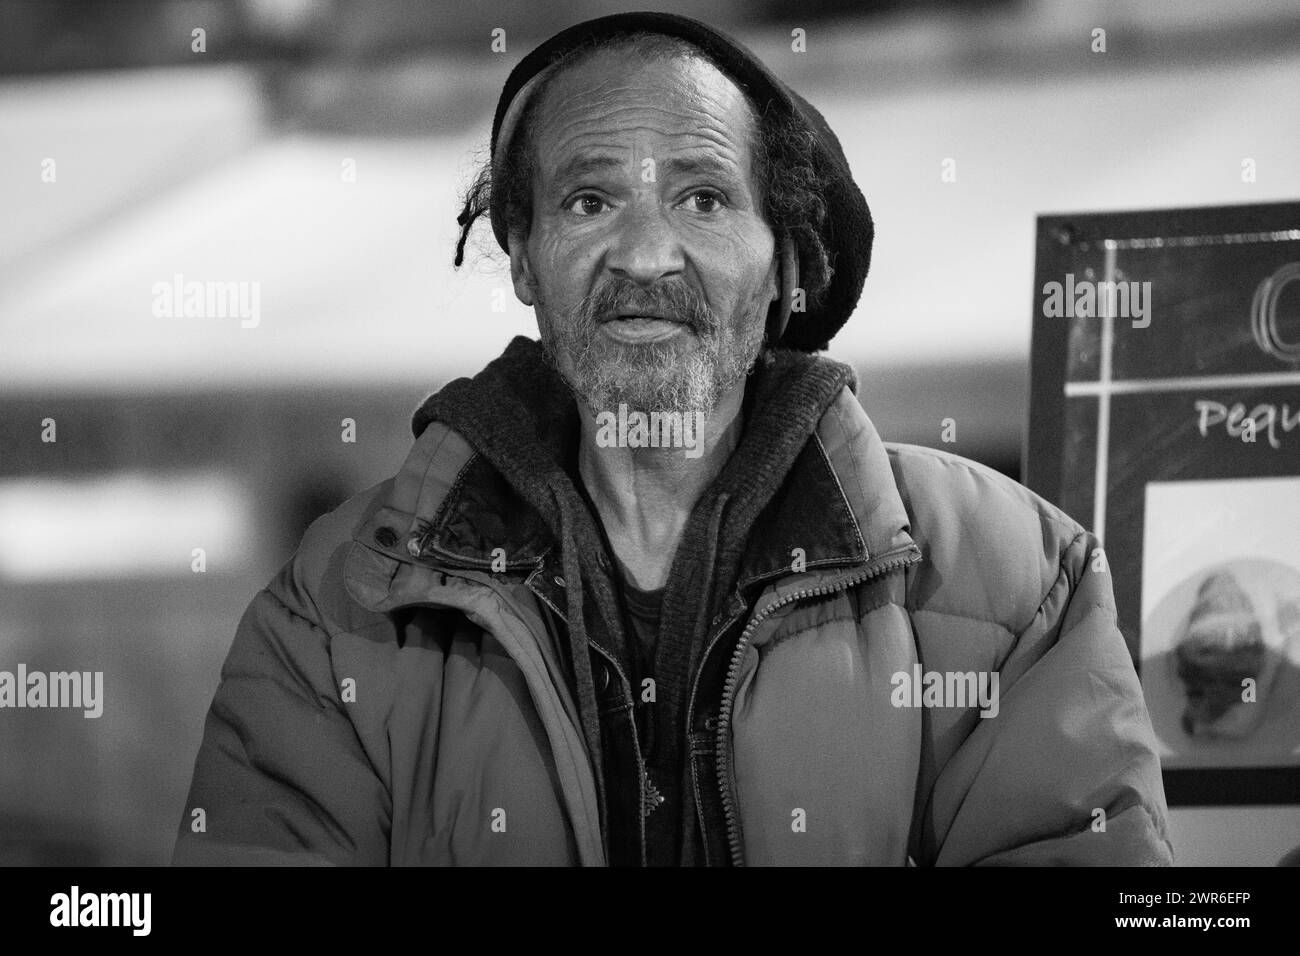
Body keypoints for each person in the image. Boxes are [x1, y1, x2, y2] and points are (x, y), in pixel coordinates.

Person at [174, 12, 1173, 866]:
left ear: (790, 264)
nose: (646, 252)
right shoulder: (340, 596)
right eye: (589, 200)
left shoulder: (1013, 581)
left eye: (703, 198)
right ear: (522, 257)